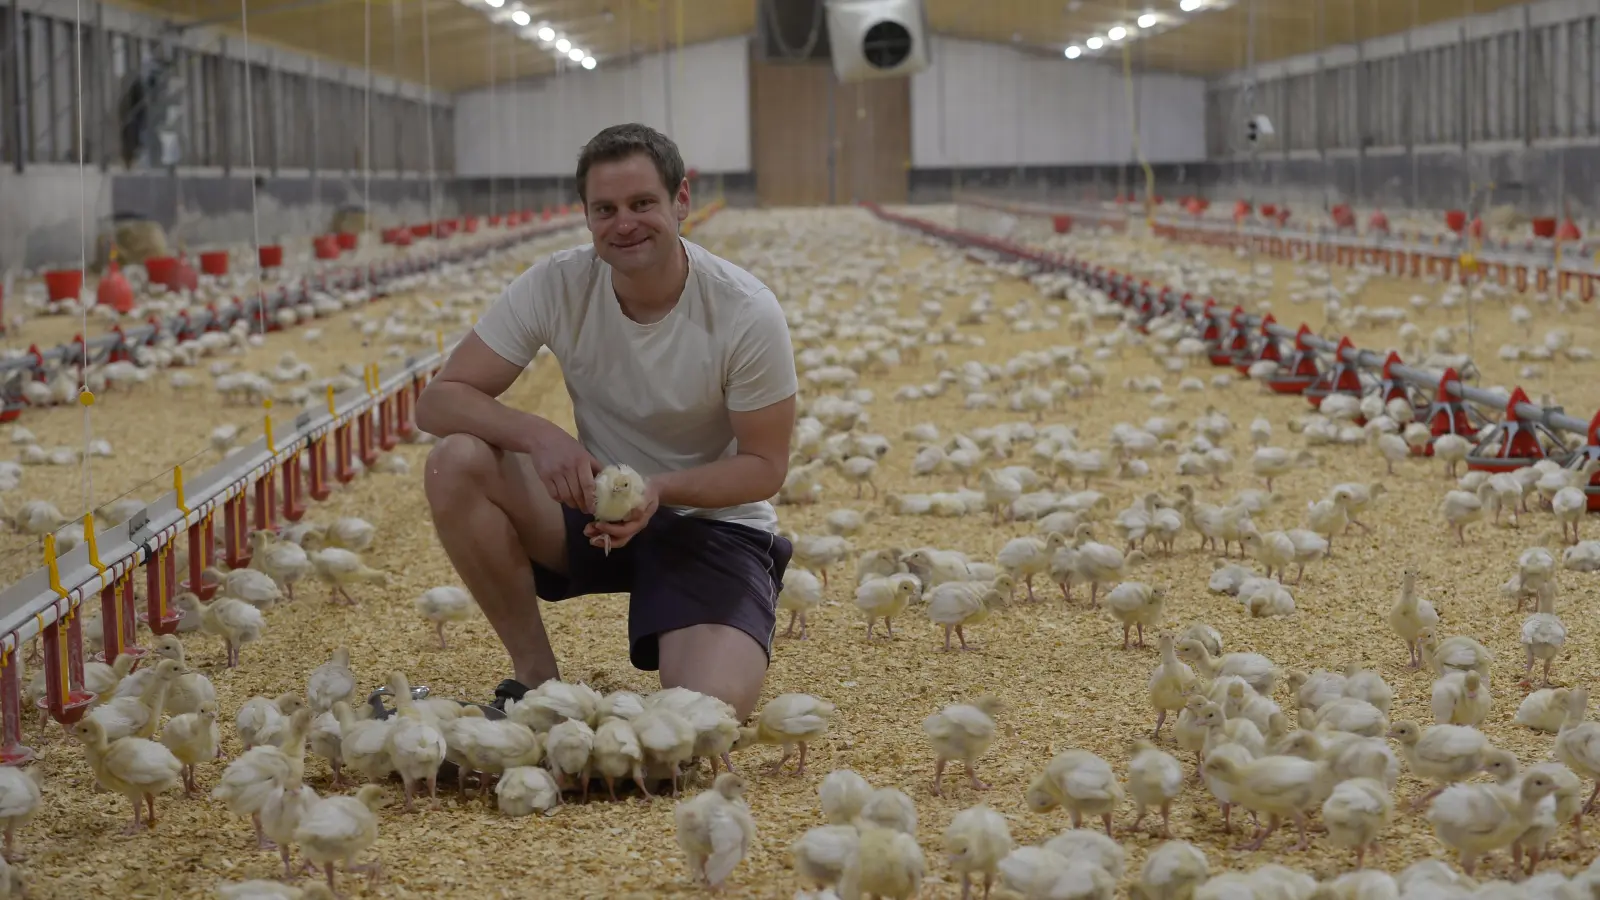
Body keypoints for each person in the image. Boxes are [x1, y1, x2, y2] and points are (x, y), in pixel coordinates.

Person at [415, 123, 797, 722]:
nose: (625, 224)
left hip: (712, 524)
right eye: (606, 209)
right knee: (455, 460)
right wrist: (539, 434)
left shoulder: (745, 310)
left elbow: (765, 467)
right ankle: (536, 680)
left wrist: (660, 488)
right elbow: (438, 402)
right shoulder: (558, 283)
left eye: (642, 203)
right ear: (587, 215)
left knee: (703, 717)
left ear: (680, 200)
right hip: (598, 507)